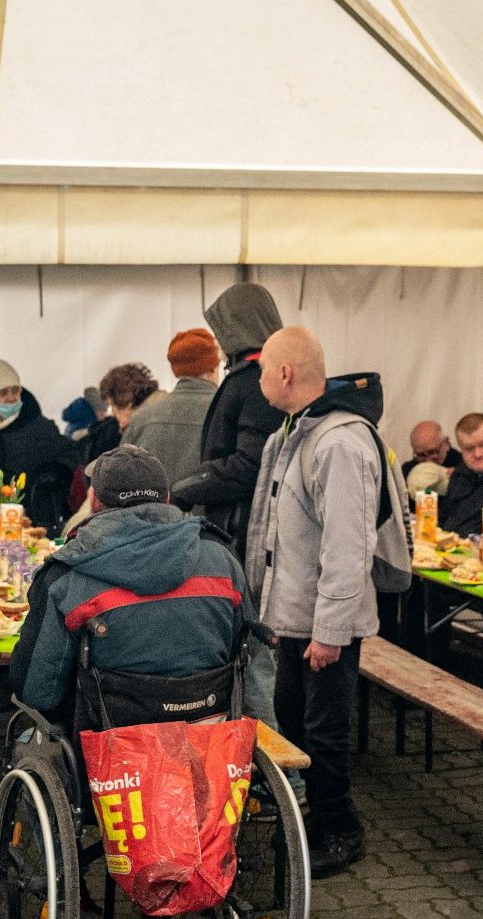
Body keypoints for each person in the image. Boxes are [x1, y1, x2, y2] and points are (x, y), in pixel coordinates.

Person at [246, 326, 388, 879]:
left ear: (284, 374)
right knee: (296, 727)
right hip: (293, 618)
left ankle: (339, 829)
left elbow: (348, 547)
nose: (258, 381)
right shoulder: (295, 433)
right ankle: (309, 818)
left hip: (326, 625)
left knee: (325, 733)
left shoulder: (338, 442)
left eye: (262, 370)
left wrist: (330, 631)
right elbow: (282, 538)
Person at [9, 445, 251, 723]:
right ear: (167, 499)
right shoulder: (224, 561)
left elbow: (37, 691)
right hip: (208, 738)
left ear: (95, 502)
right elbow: (251, 664)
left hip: (108, 748)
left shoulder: (64, 577)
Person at [172, 282, 287, 727]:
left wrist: (187, 487)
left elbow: (248, 465)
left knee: (257, 653)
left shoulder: (253, 384)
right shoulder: (269, 379)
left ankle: (278, 769)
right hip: (257, 535)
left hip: (245, 536)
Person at [0, 357, 78, 533]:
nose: (11, 398)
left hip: (32, 518)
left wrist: (56, 472)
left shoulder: (36, 423)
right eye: (3, 393)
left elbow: (70, 452)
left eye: (15, 391)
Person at [124, 327, 222, 486]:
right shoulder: (227, 411)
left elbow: (123, 476)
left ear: (177, 371)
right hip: (206, 510)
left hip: (151, 510)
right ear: (213, 368)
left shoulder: (143, 416)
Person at [88, 362, 161, 463]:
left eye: (113, 405)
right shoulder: (156, 420)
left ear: (128, 402)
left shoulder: (145, 432)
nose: (113, 413)